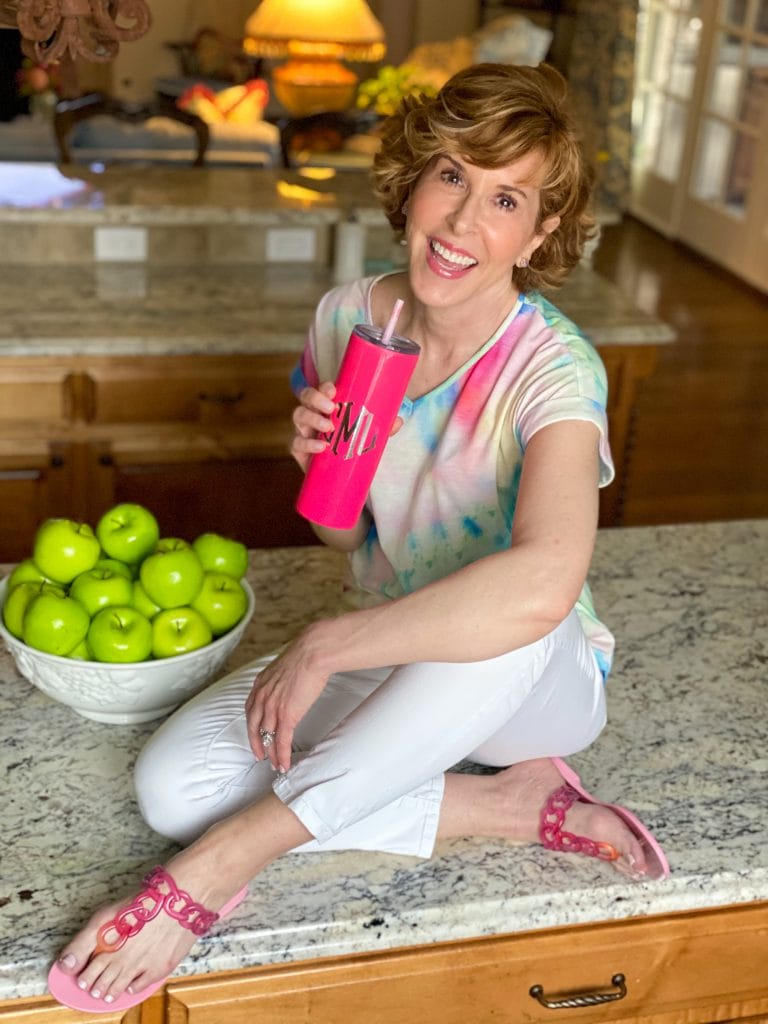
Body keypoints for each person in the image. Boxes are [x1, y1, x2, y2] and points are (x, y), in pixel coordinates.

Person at [49, 62, 669, 1013]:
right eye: (453, 175)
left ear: (541, 232)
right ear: (416, 177)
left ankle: (219, 870)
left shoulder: (554, 374)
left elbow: (545, 583)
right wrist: (319, 470)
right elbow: (342, 539)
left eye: (506, 198)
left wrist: (326, 643)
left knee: (514, 611)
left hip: (536, 677)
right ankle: (508, 805)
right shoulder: (350, 316)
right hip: (396, 639)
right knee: (174, 788)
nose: (464, 223)